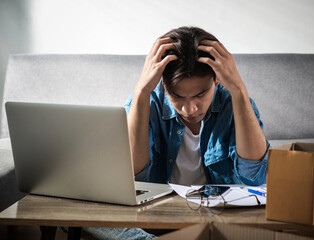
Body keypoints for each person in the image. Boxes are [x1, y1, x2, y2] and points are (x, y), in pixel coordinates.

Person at [83, 26, 269, 240]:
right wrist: (142, 92)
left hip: (215, 219)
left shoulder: (236, 103)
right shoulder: (145, 101)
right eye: (177, 97)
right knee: (85, 214)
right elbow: (132, 178)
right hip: (154, 218)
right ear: (163, 85)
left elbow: (256, 178)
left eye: (200, 95)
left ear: (217, 80)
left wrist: (239, 90)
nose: (189, 110)